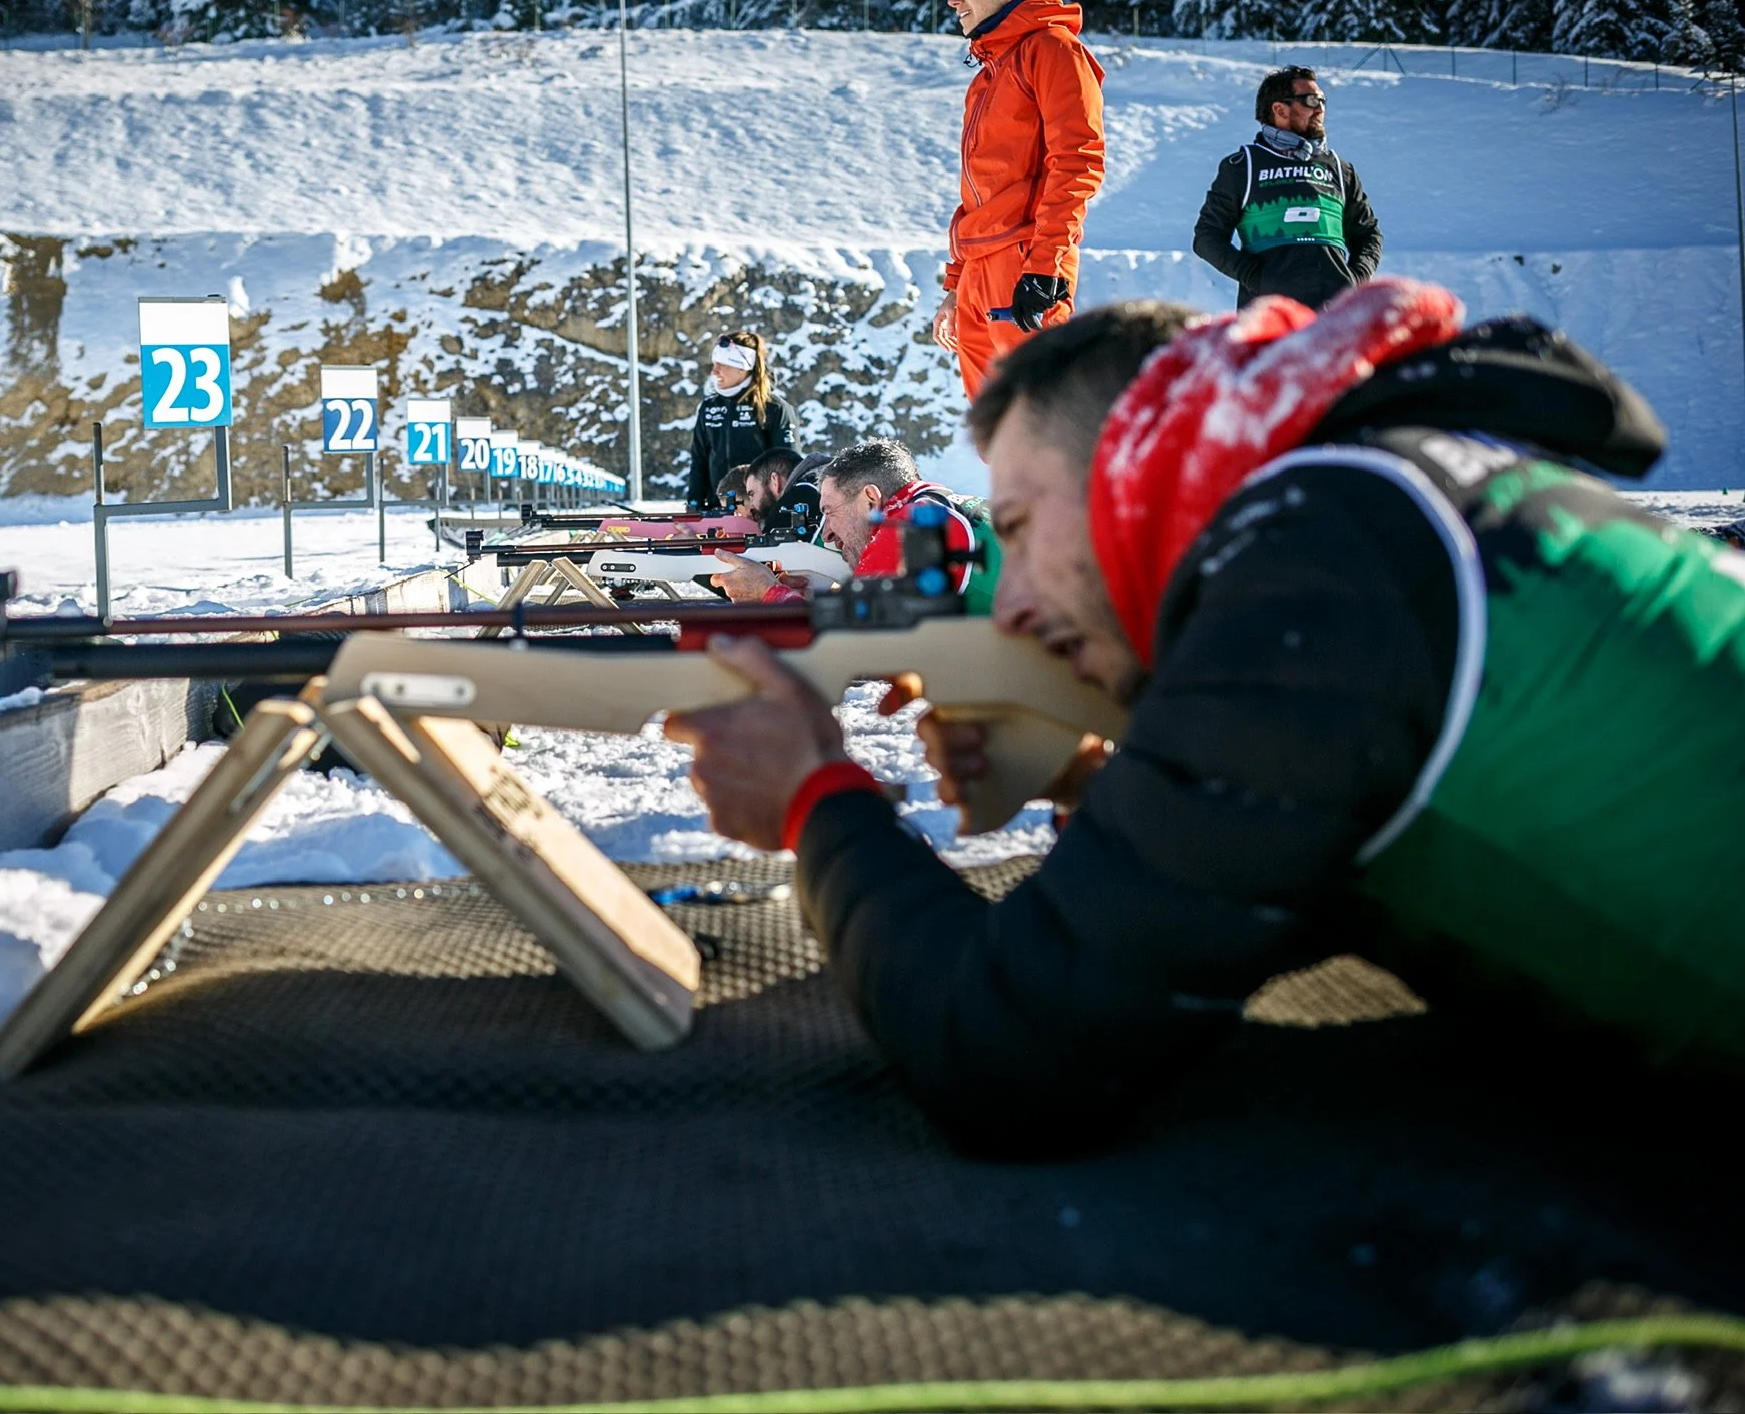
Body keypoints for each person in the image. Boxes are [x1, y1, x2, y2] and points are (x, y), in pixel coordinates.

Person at [665, 280, 1745, 1150]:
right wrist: (1109, 782)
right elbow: (1303, 850)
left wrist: (817, 797)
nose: (1015, 597)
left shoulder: (1312, 569)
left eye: (1022, 527)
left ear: (1129, 470)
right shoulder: (1364, 503)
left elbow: (1004, 1051)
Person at [927, 0, 1107, 401]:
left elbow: (1078, 164)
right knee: (993, 426)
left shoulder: (1054, 50)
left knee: (1041, 418)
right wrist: (956, 285)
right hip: (979, 268)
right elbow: (977, 191)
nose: (953, 0)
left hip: (1025, 259)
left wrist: (1045, 266)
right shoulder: (988, 73)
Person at [1192, 66, 1383, 310]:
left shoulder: (1339, 169)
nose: (1320, 108)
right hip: (1269, 318)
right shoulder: (1243, 166)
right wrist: (1257, 279)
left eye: (1323, 100)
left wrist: (1354, 282)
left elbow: (1368, 235)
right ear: (1280, 109)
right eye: (1311, 100)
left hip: (1333, 318)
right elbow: (1207, 237)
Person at [716, 440, 992, 606]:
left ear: (870, 500)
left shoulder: (905, 527)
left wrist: (769, 593)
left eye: (829, 511)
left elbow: (848, 645)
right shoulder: (938, 503)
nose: (827, 533)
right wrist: (817, 601)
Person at [686, 331, 792, 512]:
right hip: (718, 510)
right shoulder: (709, 407)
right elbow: (699, 461)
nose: (714, 371)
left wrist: (779, 513)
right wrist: (693, 506)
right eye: (714, 364)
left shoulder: (774, 408)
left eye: (721, 365)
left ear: (741, 367)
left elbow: (787, 468)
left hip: (760, 512)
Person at [741, 446, 823, 537]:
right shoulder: (822, 482)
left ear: (775, 481)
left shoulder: (788, 507)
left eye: (752, 494)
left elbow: (770, 545)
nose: (751, 505)